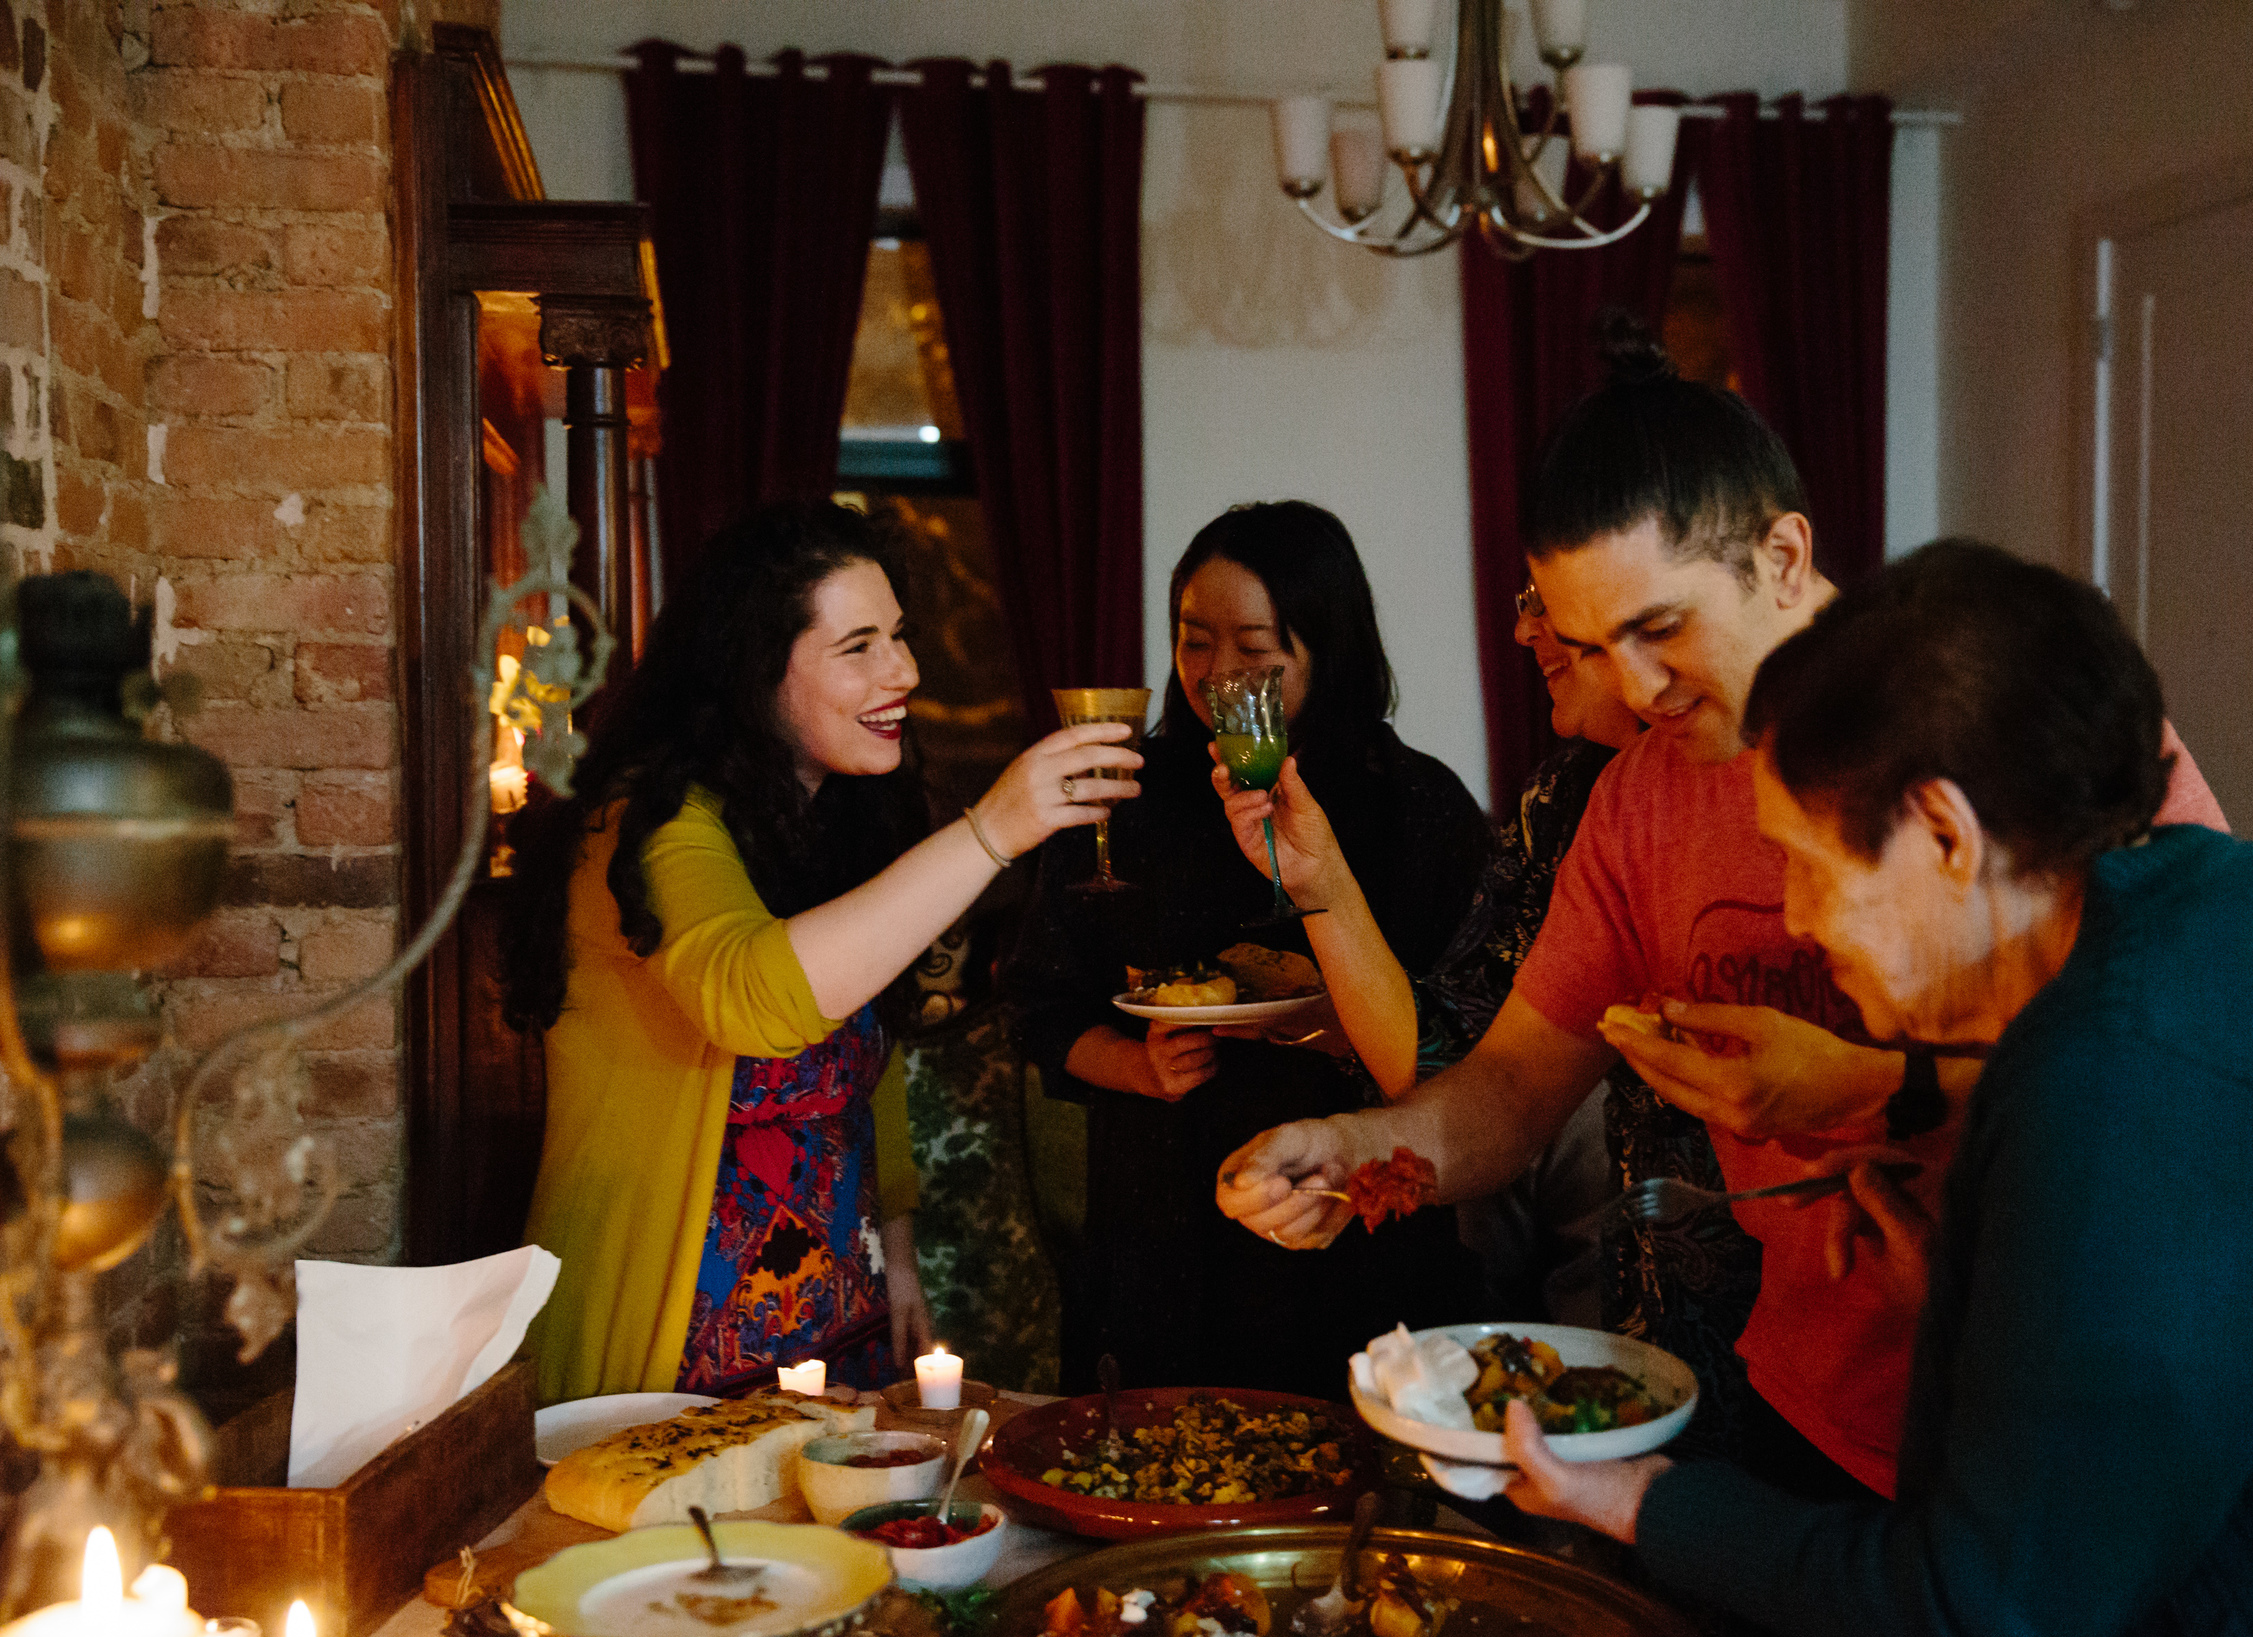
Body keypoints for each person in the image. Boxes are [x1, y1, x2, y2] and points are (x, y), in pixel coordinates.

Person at [1219, 330, 2225, 1508]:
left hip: (2052, 1397)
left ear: (1783, 554)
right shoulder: (1639, 794)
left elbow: (2195, 1052)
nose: (1637, 688)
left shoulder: (2007, 706)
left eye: (1662, 628)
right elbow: (1507, 1092)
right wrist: (1350, 1151)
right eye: (1594, 646)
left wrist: (1864, 1081)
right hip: (1797, 1402)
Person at [1501, 539, 2253, 1637]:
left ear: (1943, 833)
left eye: (1810, 864)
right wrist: (1982, 1300)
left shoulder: (2131, 1069)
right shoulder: (2183, 914)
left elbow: (1988, 1614)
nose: (1793, 918)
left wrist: (1633, 1498)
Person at [504, 501, 1140, 1404]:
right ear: (755, 669)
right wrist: (994, 829)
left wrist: (903, 1258)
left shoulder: (830, 819)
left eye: (901, 637)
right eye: (860, 647)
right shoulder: (647, 823)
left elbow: (867, 1060)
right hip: (671, 1346)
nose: (906, 671)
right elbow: (753, 999)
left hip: (837, 1323)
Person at [1212, 578, 1761, 1446]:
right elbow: (1469, 1077)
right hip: (1626, 1302)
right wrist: (1321, 887)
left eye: (1548, 597)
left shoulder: (1813, 769)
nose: (1521, 627)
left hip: (1813, 1321)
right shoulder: (1577, 795)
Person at [1005, 500, 1488, 1398]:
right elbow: (1039, 1005)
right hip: (1159, 1229)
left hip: (1353, 1229)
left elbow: (1471, 1055)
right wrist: (1134, 1064)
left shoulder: (1414, 806)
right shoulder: (1127, 801)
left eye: (1255, 650)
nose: (1217, 674)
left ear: (1327, 646)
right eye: (1194, 641)